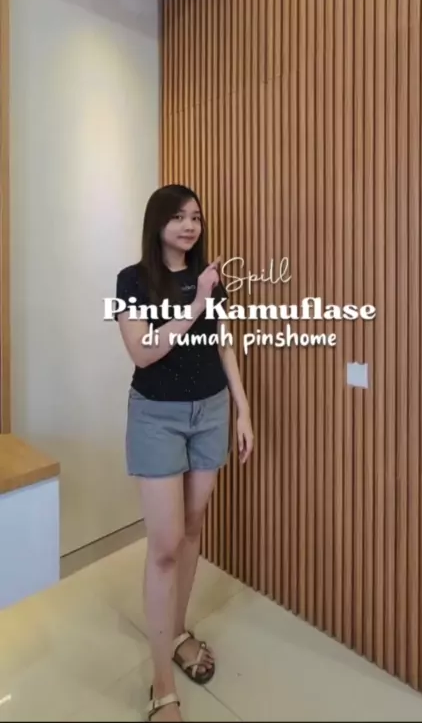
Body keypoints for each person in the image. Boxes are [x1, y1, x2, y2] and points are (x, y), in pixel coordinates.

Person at [115, 184, 254, 722]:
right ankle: (161, 683)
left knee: (193, 529)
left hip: (211, 411)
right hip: (157, 417)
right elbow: (142, 352)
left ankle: (176, 632)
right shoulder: (133, 280)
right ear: (157, 223)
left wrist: (243, 409)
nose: (190, 225)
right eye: (178, 216)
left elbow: (224, 344)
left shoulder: (211, 278)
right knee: (166, 546)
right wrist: (195, 304)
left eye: (195, 216)